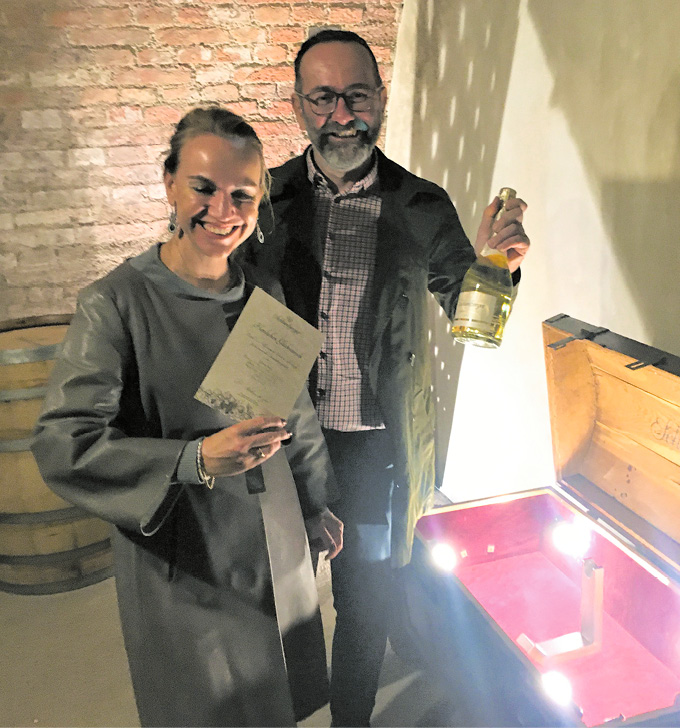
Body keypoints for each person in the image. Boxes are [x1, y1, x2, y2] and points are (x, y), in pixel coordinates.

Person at [242, 29, 530, 727]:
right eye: (323, 98)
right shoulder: (265, 201)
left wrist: (497, 267)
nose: (342, 115)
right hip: (278, 443)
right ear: (298, 106)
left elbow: (471, 319)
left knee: (366, 598)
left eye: (357, 96)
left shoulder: (421, 203)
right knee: (269, 597)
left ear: (379, 99)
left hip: (373, 450)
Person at [31, 106, 343, 728]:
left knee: (275, 697)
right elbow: (64, 442)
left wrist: (316, 501)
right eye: (203, 188)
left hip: (275, 533)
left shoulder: (263, 291)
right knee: (206, 705)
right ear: (170, 182)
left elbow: (293, 409)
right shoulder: (114, 304)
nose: (222, 210)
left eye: (242, 195)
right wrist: (193, 459)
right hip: (185, 554)